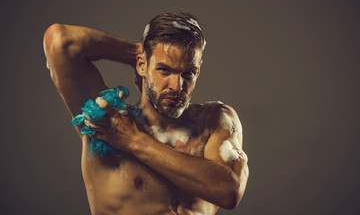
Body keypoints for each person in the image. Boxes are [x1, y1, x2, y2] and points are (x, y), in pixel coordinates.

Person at [43, 12, 249, 215]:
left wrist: (135, 141)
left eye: (188, 73)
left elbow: (229, 192)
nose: (177, 86)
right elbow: (60, 40)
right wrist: (136, 52)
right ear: (142, 65)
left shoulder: (215, 120)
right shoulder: (107, 121)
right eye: (164, 70)